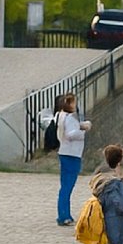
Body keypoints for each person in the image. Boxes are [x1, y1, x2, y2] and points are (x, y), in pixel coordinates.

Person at [54, 94, 91, 225]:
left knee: (65, 185)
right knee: (67, 185)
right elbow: (70, 134)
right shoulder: (69, 117)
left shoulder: (61, 115)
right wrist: (83, 130)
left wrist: (80, 125)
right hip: (72, 153)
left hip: (65, 152)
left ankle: (64, 213)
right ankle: (63, 215)